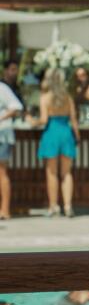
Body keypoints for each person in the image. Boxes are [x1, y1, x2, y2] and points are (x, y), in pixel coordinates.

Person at [37, 69, 79, 218]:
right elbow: (73, 120)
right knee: (67, 173)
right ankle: (68, 206)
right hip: (66, 133)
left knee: (52, 173)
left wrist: (31, 120)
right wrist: (77, 137)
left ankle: (53, 206)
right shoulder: (68, 97)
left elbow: (43, 120)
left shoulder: (45, 98)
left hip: (51, 133)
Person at [0, 66, 22, 221]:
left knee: (1, 173)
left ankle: (5, 210)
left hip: (2, 134)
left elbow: (16, 107)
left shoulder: (2, 88)